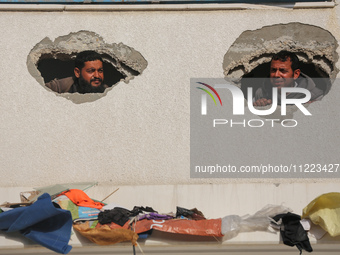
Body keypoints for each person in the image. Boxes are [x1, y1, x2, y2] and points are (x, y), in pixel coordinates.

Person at [253, 51, 324, 106]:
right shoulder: (261, 93)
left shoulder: (315, 95)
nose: (276, 75)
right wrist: (257, 105)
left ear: (295, 74)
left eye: (283, 71)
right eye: (273, 70)